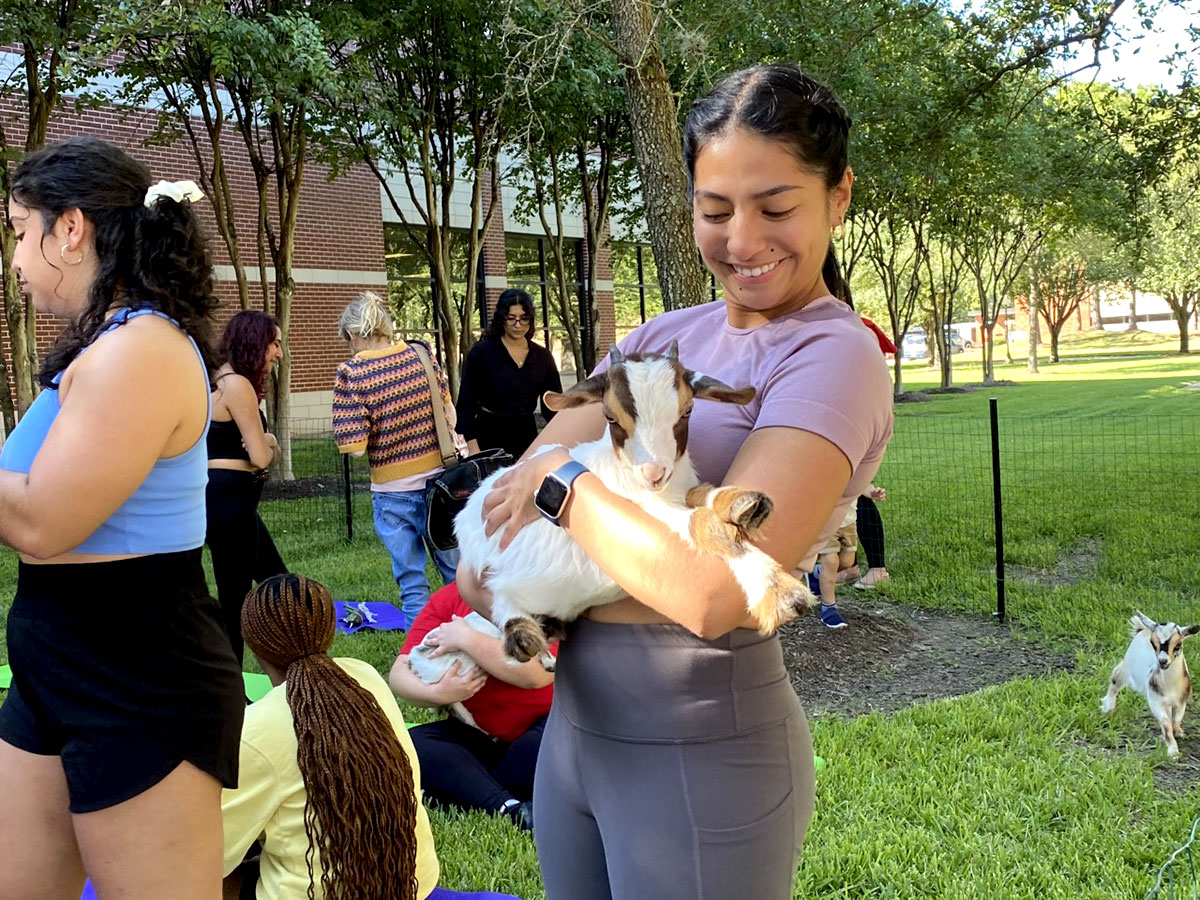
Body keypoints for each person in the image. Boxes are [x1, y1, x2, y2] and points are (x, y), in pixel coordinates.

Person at [458, 64, 893, 899]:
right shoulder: (664, 334)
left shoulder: (832, 354)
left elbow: (715, 591)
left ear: (838, 197)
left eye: (775, 207)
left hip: (699, 749)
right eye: (715, 209)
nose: (742, 239)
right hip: (575, 737)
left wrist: (561, 487)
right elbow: (507, 504)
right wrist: (514, 543)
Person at [0, 138, 243, 898]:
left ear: (70, 229)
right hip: (52, 648)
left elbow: (41, 521)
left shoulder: (141, 349)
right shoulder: (103, 345)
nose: (13, 260)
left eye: (16, 230)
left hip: (136, 665)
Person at [221, 574, 439, 900]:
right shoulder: (365, 676)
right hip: (414, 884)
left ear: (254, 646)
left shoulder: (255, 729)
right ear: (329, 628)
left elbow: (211, 851)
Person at [333, 291, 459, 627]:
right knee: (458, 577)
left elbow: (354, 447)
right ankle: (475, 640)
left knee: (412, 582)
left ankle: (421, 650)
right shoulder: (421, 354)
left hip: (392, 493)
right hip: (441, 486)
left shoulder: (352, 373)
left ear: (353, 334)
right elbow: (450, 415)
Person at [388, 581, 554, 832]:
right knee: (409, 744)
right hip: (476, 735)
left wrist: (466, 639)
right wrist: (436, 693)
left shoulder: (539, 594)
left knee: (551, 744)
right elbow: (399, 673)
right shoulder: (448, 598)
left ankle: (472, 788)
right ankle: (510, 806)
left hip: (542, 727)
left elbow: (537, 675)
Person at [207, 309, 289, 663]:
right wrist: (269, 440)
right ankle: (230, 689)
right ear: (255, 342)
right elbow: (259, 456)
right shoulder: (236, 386)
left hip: (229, 502)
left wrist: (267, 442)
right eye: (275, 343)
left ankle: (288, 660)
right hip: (230, 503)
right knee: (238, 598)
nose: (279, 353)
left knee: (277, 583)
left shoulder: (217, 380)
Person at [456, 288, 563, 459]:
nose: (518, 325)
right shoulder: (481, 353)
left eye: (523, 319)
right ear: (501, 319)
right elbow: (465, 405)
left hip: (527, 437)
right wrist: (474, 450)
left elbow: (553, 407)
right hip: (489, 439)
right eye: (511, 318)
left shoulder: (543, 357)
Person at [818, 483, 887, 627]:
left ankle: (819, 573)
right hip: (825, 522)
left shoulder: (849, 466)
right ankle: (829, 608)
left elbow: (861, 482)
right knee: (830, 562)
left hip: (848, 523)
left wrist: (872, 492)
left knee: (847, 563)